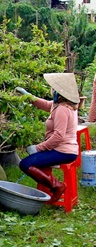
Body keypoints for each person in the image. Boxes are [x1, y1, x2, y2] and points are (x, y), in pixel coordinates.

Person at [16, 72, 80, 203]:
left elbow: (58, 136)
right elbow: (45, 104)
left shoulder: (62, 109)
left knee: (25, 164)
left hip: (63, 152)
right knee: (33, 162)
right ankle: (49, 190)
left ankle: (57, 186)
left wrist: (38, 148)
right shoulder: (63, 105)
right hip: (65, 150)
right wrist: (28, 96)